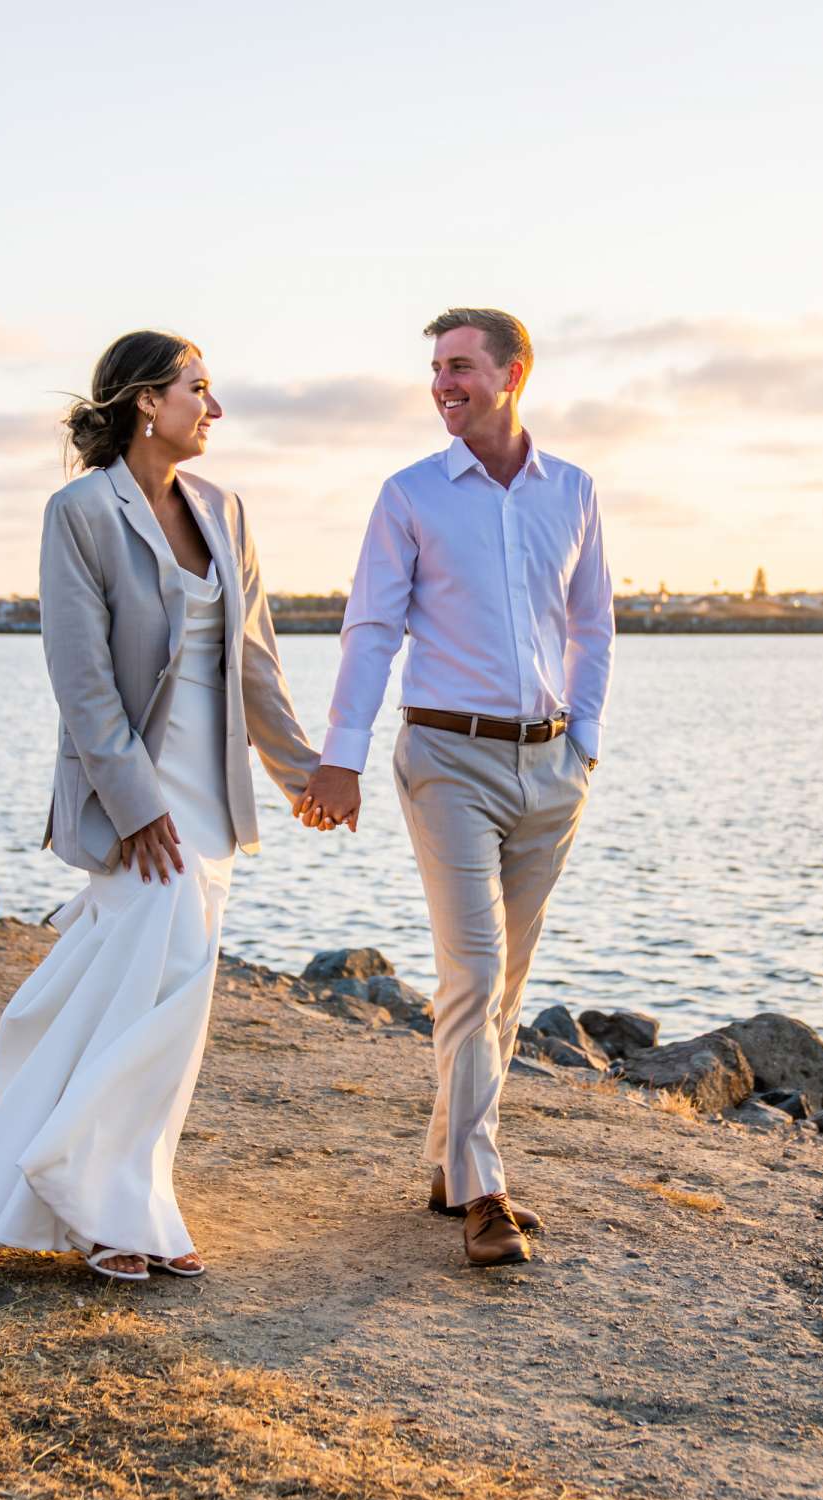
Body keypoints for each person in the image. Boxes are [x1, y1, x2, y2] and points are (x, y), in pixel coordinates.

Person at [0, 330, 322, 1282]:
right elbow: (82, 677)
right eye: (200, 389)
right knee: (164, 990)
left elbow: (255, 662)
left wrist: (304, 773)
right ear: (149, 400)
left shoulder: (225, 509)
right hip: (138, 796)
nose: (213, 408)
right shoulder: (80, 512)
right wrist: (137, 805)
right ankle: (104, 1203)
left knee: (155, 993)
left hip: (214, 793)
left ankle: (108, 1191)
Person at [299, 307, 614, 1267]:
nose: (444, 384)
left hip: (551, 767)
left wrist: (584, 741)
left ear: (514, 374)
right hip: (447, 761)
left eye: (462, 367)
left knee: (504, 984)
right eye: (436, 368)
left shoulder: (573, 491)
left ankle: (447, 1159)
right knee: (473, 973)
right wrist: (339, 755)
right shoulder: (410, 497)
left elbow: (591, 625)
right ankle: (485, 1193)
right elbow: (371, 631)